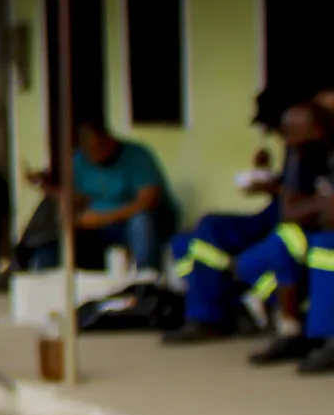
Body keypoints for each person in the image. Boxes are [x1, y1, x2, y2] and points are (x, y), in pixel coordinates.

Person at [166, 98, 331, 346]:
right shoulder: (298, 151)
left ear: (317, 129)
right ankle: (209, 316)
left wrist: (307, 202)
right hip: (286, 216)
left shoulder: (317, 147)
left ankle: (299, 327)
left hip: (309, 229)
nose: (286, 139)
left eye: (291, 132)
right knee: (202, 232)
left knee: (283, 246)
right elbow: (292, 208)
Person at [18, 119, 176, 273]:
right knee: (52, 227)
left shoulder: (136, 156)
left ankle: (146, 279)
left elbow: (147, 201)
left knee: (142, 221)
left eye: (97, 147)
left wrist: (102, 218)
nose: (93, 154)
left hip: (131, 224)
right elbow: (76, 196)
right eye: (88, 150)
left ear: (108, 139)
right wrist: (56, 194)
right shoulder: (79, 161)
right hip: (94, 228)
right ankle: (37, 267)